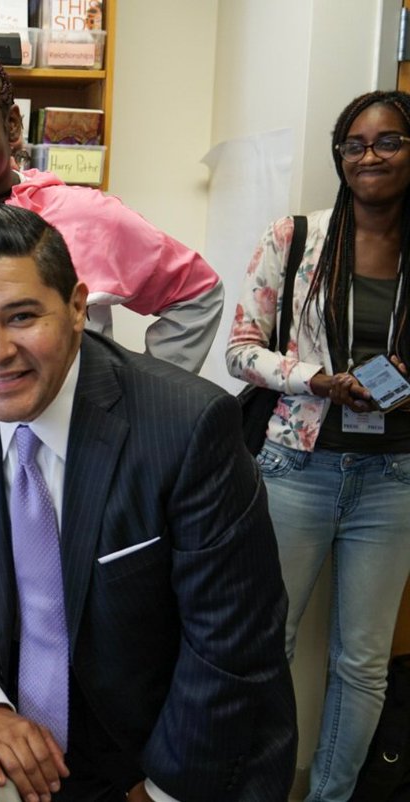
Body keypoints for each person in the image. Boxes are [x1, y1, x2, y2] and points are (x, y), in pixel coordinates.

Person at [0, 204, 296, 802]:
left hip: (173, 756)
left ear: (78, 307)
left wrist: (159, 791)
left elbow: (231, 646)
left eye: (22, 316)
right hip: (20, 756)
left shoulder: (187, 427)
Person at [0, 26, 224, 543]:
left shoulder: (86, 219)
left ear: (12, 125)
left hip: (82, 477)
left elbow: (196, 293)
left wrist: (141, 406)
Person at [226, 89, 410, 802]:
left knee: (363, 663)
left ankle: (331, 797)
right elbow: (240, 350)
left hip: (394, 479)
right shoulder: (296, 238)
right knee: (266, 642)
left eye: (389, 141)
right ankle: (255, 788)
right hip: (294, 467)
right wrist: (317, 380)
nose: (370, 156)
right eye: (354, 145)